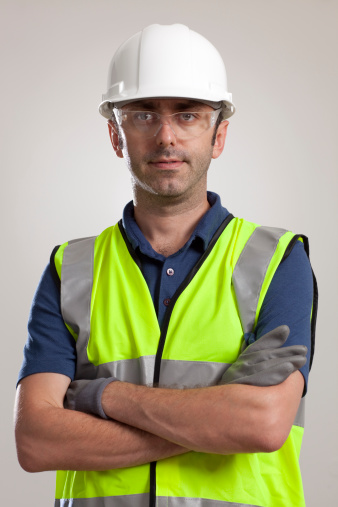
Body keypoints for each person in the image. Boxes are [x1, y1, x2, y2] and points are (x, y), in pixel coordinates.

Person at [15, 24, 317, 507]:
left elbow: (262, 423)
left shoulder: (278, 261)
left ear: (218, 135)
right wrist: (216, 426)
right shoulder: (71, 268)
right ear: (116, 135)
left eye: (188, 115)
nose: (165, 136)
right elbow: (35, 440)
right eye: (142, 115)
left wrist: (100, 397)